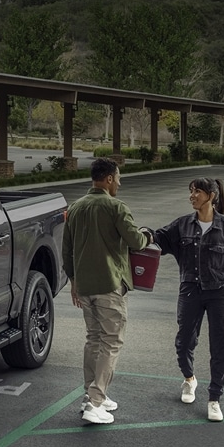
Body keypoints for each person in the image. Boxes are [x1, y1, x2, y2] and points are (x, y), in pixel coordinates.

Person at [153, 177, 224, 422]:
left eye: (197, 192)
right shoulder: (182, 225)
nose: (192, 196)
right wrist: (140, 234)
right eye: (190, 191)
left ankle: (214, 398)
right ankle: (189, 379)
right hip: (190, 291)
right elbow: (158, 238)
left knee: (219, 347)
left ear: (211, 196)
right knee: (184, 342)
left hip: (220, 294)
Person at [64, 159, 151, 424]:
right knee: (111, 342)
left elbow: (67, 250)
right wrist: (148, 236)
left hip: (85, 286)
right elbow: (136, 241)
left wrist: (73, 281)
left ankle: (90, 395)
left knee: (93, 339)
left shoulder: (75, 208)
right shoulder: (116, 207)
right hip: (109, 285)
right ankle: (95, 401)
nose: (120, 183)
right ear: (110, 179)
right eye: (119, 178)